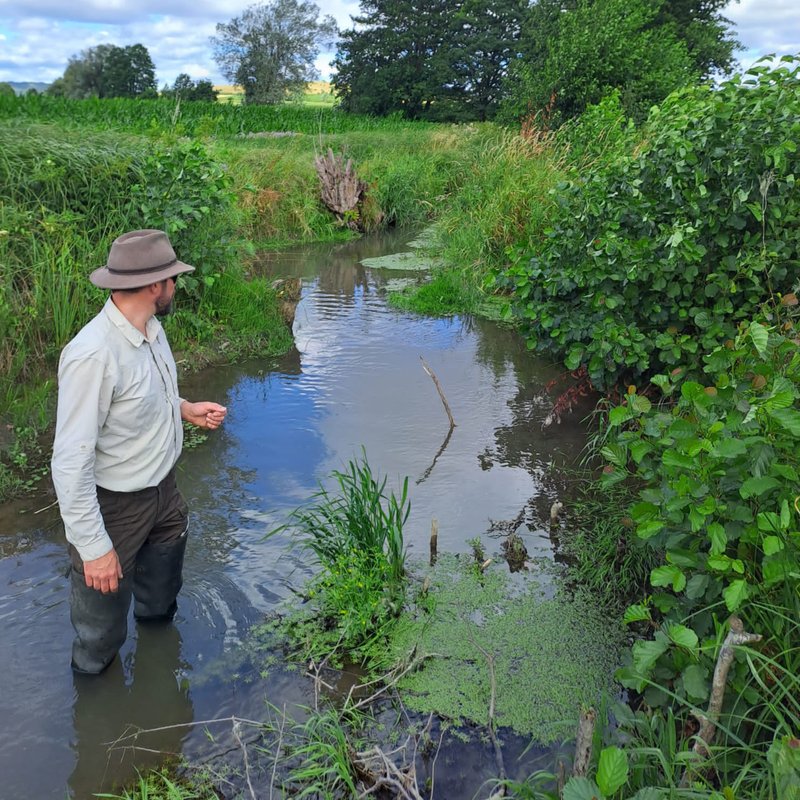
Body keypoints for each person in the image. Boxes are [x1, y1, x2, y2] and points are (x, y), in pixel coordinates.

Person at [51, 229, 227, 675]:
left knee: (160, 601)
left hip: (164, 493)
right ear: (154, 286)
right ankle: (97, 721)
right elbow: (70, 461)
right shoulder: (92, 355)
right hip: (115, 508)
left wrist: (184, 408)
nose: (175, 286)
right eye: (172, 279)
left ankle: (158, 680)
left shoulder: (151, 327)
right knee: (100, 635)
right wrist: (93, 547)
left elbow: (143, 399)